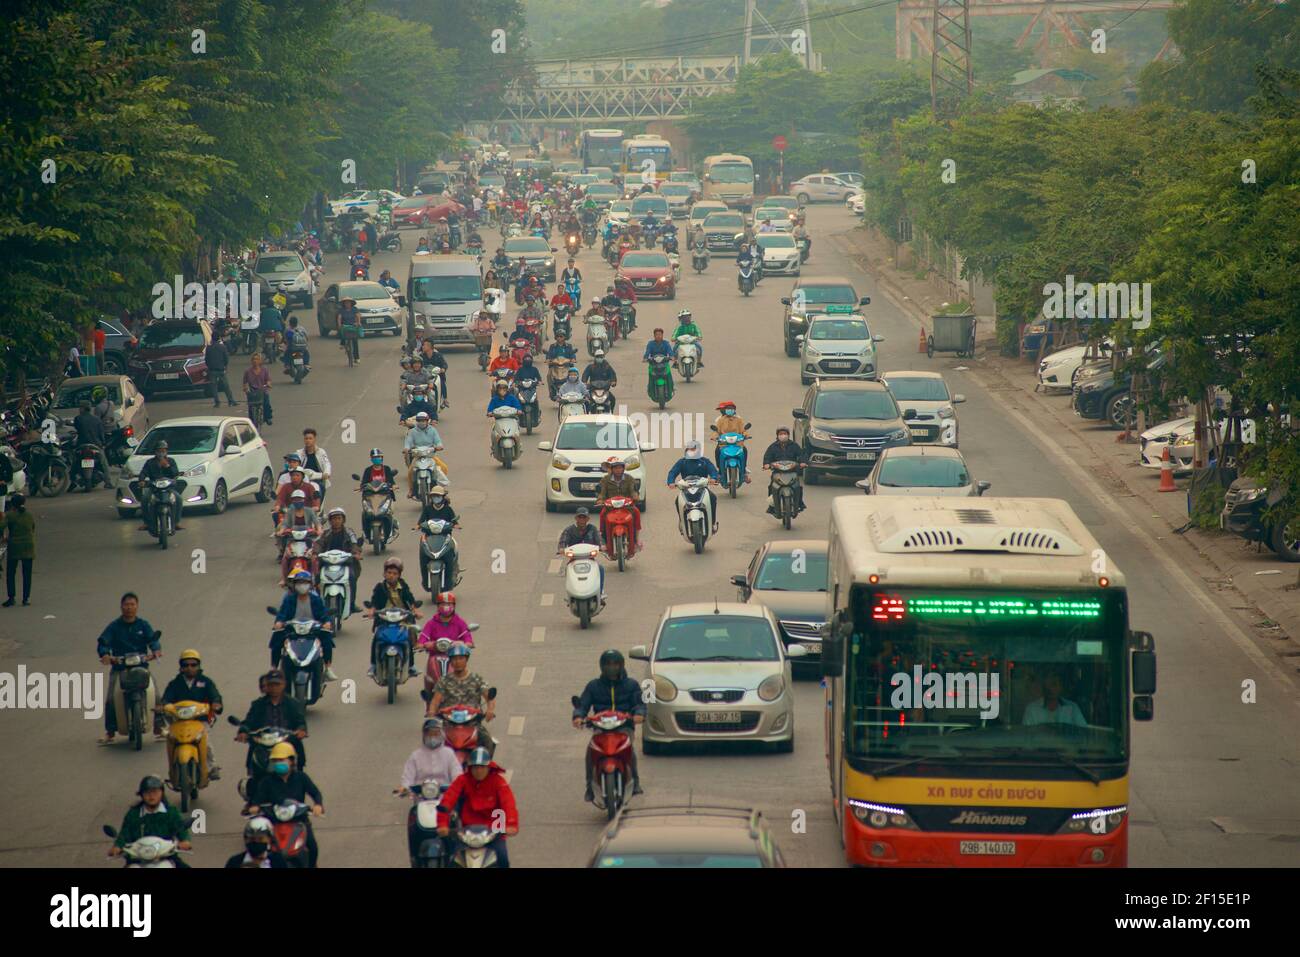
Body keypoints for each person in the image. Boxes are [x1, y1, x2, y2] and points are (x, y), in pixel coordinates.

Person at [573, 649, 646, 799]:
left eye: (615, 664)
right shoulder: (593, 686)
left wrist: (639, 714)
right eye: (608, 664)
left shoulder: (632, 685)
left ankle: (636, 782)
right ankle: (590, 787)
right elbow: (582, 705)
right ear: (602, 666)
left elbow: (639, 704)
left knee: (629, 749)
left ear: (622, 665)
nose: (611, 668)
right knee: (590, 752)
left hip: (624, 727)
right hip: (600, 727)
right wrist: (578, 716)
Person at [96, 592, 163, 743]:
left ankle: (159, 727)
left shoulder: (143, 625)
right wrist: (105, 654)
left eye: (132, 604)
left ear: (137, 607)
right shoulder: (114, 626)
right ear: (121, 607)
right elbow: (103, 642)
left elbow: (153, 640)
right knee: (111, 699)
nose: (129, 608)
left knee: (157, 696)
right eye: (126, 605)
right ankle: (110, 732)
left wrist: (156, 650)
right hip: (120, 668)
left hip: (141, 666)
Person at [435, 747, 519, 867]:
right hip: (466, 833)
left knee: (503, 858)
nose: (478, 771)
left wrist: (511, 824)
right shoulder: (462, 780)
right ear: (470, 768)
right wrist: (442, 824)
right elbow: (447, 801)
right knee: (452, 861)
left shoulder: (498, 782)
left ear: (488, 767)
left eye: (482, 767)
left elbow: (508, 804)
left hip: (494, 833)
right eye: (475, 767)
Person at [247, 744, 324, 867]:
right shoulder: (267, 781)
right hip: (274, 821)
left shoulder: (301, 777)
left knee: (312, 846)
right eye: (275, 760)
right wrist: (254, 806)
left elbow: (315, 793)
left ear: (292, 760)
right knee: (263, 848)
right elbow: (257, 799)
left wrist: (318, 805)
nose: (278, 763)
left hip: (299, 820)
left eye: (282, 760)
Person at [399, 718, 463, 863]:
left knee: (457, 826)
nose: (432, 737)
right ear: (424, 735)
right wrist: (404, 788)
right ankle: (415, 858)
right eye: (429, 733)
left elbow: (457, 774)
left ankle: (456, 856)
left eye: (435, 733)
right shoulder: (416, 756)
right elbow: (407, 778)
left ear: (441, 734)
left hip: (445, 800)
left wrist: (457, 786)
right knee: (413, 826)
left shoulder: (448, 754)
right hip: (421, 802)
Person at [159, 648, 223, 779]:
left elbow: (215, 696)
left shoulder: (206, 682)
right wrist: (162, 705)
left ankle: (212, 767)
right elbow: (166, 698)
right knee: (170, 740)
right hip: (178, 720)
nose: (189, 668)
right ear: (181, 667)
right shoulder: (175, 683)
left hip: (200, 719)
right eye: (185, 665)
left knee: (205, 740)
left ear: (198, 666)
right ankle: (173, 769)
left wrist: (216, 704)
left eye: (193, 665)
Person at [424, 643, 496, 754]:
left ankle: (484, 768)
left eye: (461, 658)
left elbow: (489, 698)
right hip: (449, 723)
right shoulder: (444, 681)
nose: (457, 662)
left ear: (466, 659)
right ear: (450, 661)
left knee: (487, 741)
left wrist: (490, 710)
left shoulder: (476, 679)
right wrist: (431, 711)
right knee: (431, 743)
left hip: (472, 723)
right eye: (454, 659)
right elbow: (435, 701)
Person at [108, 776, 193, 865]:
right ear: (141, 795)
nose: (151, 796)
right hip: (137, 859)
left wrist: (185, 841)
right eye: (147, 792)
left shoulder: (171, 812)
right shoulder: (133, 814)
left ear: (162, 793)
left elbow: (181, 828)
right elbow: (124, 834)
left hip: (166, 856)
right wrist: (117, 846)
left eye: (155, 792)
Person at [236, 669, 308, 770]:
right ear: (267, 686)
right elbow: (248, 722)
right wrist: (243, 731)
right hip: (262, 744)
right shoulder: (258, 705)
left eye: (277, 684)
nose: (274, 688)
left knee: (299, 772)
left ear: (283, 684)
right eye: (271, 685)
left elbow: (300, 722)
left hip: (286, 743)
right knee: (253, 767)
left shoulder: (293, 704)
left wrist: (301, 730)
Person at [272, 569, 337, 679]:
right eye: (299, 583)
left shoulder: (316, 600)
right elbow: (283, 613)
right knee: (277, 638)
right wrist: (279, 622)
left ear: (310, 585)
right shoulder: (289, 600)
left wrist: (326, 622)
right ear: (294, 585)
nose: (302, 585)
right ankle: (274, 669)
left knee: (327, 639)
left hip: (313, 630)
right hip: (293, 630)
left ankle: (328, 668)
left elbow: (323, 613)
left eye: (305, 583)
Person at [365, 557, 421, 677]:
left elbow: (410, 599)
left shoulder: (403, 586)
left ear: (399, 575)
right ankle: (373, 665)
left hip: (402, 618)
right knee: (377, 639)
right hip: (384, 619)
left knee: (407, 639)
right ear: (384, 574)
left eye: (395, 573)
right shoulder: (380, 587)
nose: (391, 576)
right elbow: (374, 602)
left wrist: (415, 610)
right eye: (389, 573)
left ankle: (411, 666)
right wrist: (372, 611)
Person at [312, 507, 363, 613]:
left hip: (345, 562)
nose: (336, 521)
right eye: (334, 519)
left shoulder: (349, 532)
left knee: (352, 578)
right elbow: (318, 543)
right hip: (327, 562)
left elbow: (354, 544)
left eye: (339, 518)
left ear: (343, 520)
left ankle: (352, 604)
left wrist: (356, 553)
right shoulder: (325, 533)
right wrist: (315, 553)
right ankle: (316, 603)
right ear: (330, 521)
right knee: (316, 579)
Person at [666, 441, 721, 533]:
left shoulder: (704, 461)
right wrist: (671, 482)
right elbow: (672, 472)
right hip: (686, 490)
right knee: (677, 501)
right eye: (689, 449)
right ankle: (681, 522)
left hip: (702, 489)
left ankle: (712, 523)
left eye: (693, 449)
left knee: (713, 498)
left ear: (698, 450)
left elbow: (713, 471)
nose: (691, 451)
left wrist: (713, 478)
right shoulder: (682, 462)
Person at [133, 440, 184, 531]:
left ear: (166, 452)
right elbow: (143, 472)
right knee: (145, 499)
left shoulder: (171, 461)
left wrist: (167, 466)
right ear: (155, 452)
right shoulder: (150, 462)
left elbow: (175, 474)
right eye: (159, 451)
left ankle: (176, 522)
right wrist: (141, 480)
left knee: (178, 499)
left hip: (168, 488)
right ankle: (147, 523)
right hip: (154, 488)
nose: (161, 453)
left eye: (163, 451)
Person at [276, 490, 323, 586]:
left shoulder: (309, 511)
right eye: (295, 499)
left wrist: (318, 530)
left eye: (300, 499)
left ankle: (316, 578)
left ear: (304, 500)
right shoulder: (290, 511)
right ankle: (284, 579)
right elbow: (285, 523)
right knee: (285, 558)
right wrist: (281, 530)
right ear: (292, 501)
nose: (298, 501)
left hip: (308, 539)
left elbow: (316, 522)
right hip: (292, 539)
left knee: (314, 558)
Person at [596, 458, 642, 552]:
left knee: (636, 512)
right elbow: (602, 492)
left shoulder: (629, 479)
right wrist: (600, 500)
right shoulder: (605, 480)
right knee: (602, 514)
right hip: (610, 507)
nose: (618, 470)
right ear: (612, 469)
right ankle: (603, 538)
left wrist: (635, 496)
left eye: (620, 468)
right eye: (616, 468)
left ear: (623, 469)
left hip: (627, 506)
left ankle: (636, 539)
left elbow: (633, 491)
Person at [556, 507, 604, 597]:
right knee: (568, 571)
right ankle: (570, 594)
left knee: (600, 569)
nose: (582, 520)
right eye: (580, 517)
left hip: (590, 559)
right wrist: (561, 549)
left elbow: (600, 540)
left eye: (584, 517)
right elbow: (562, 542)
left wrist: (603, 546)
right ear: (576, 518)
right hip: (574, 560)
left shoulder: (593, 529)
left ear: (588, 519)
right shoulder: (569, 530)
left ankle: (600, 593)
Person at [762, 426, 807, 513]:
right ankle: (771, 506)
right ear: (777, 436)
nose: (783, 435)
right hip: (777, 472)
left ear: (788, 435)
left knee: (798, 487)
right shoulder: (773, 447)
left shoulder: (794, 446)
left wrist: (803, 462)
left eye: (785, 434)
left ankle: (800, 503)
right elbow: (767, 457)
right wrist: (766, 464)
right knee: (771, 487)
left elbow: (801, 455)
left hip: (792, 471)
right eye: (781, 434)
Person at [404, 411, 447, 498]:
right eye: (419, 420)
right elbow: (408, 442)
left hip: (430, 455)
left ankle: (441, 488)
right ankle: (411, 490)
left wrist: (438, 446)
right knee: (410, 472)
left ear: (427, 421)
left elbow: (438, 442)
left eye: (423, 420)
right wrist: (406, 448)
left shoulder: (433, 430)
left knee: (443, 467)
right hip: (417, 456)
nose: (421, 422)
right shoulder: (412, 432)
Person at [2, 494, 35, 607]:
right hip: (28, 546)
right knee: (27, 574)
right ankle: (26, 599)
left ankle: (11, 598)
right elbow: (32, 528)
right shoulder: (29, 515)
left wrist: (5, 538)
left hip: (14, 547)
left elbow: (1, 527)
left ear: (12, 504)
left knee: (11, 573)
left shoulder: (10, 515)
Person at [70, 399, 110, 490]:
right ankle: (108, 482)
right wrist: (103, 443)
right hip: (95, 445)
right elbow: (101, 433)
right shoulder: (97, 419)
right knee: (104, 463)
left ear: (83, 409)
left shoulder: (78, 418)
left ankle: (72, 481)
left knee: (74, 462)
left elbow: (77, 429)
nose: (79, 409)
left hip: (81, 445)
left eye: (80, 408)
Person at [1023, 672, 1089, 727]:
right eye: (1048, 685)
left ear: (1061, 687)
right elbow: (1026, 737)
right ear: (1044, 687)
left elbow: (1083, 732)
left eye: (1054, 684)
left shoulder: (1072, 708)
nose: (1051, 689)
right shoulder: (1032, 709)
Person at [711, 400, 751, 482]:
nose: (730, 410)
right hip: (724, 443)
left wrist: (746, 435)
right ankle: (720, 471)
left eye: (731, 408)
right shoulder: (720, 420)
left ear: (734, 409)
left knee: (744, 450)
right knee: (717, 451)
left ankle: (744, 471)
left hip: (737, 443)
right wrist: (715, 437)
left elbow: (743, 430)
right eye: (728, 408)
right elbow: (716, 431)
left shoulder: (739, 420)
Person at [297, 428, 332, 506]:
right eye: (306, 438)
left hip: (318, 480)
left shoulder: (321, 452)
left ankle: (318, 510)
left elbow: (327, 464)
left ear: (314, 439)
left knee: (321, 488)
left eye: (310, 438)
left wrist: (326, 473)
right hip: (302, 480)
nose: (308, 440)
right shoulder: (299, 453)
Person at [205, 332, 238, 407]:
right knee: (226, 386)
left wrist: (209, 366)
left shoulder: (209, 348)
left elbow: (206, 359)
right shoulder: (222, 347)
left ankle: (217, 402)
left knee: (214, 387)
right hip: (221, 369)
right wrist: (225, 366)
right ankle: (231, 401)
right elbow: (226, 358)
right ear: (219, 338)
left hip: (212, 370)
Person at [243, 352, 273, 426]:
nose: (255, 361)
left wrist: (268, 384)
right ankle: (252, 422)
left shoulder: (264, 370)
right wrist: (246, 389)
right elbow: (245, 382)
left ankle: (268, 418)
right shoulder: (248, 371)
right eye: (253, 359)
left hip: (262, 390)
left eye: (257, 359)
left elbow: (268, 380)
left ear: (260, 361)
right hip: (252, 392)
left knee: (266, 403)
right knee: (250, 407)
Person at [418, 340, 450, 407]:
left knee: (441, 382)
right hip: (424, 377)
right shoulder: (421, 357)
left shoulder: (438, 356)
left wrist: (443, 369)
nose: (423, 347)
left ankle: (445, 399)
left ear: (430, 347)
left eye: (424, 345)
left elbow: (444, 364)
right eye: (423, 345)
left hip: (437, 376)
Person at [337, 297, 361, 363]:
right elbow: (339, 317)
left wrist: (358, 323)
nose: (347, 304)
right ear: (343, 304)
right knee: (342, 332)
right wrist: (339, 325)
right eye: (345, 303)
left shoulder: (354, 309)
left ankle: (357, 358)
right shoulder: (341, 310)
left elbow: (358, 316)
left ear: (351, 303)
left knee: (355, 341)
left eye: (348, 303)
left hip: (353, 326)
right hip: (345, 325)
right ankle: (342, 343)